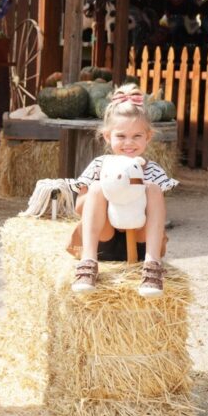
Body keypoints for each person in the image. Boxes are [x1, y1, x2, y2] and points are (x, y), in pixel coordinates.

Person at [69, 84, 178, 296]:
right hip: (104, 240)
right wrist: (111, 191)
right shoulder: (100, 165)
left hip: (139, 242)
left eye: (137, 136)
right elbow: (79, 208)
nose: (129, 143)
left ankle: (152, 265)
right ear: (108, 137)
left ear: (148, 137)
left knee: (153, 189)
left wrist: (137, 192)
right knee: (98, 187)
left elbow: (156, 215)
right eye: (121, 136)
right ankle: (88, 263)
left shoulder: (152, 170)